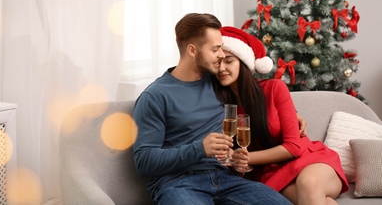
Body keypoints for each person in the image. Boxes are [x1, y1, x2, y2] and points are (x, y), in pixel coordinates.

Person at [133, 13, 292, 204]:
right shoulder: (155, 96)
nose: (222, 55)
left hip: (226, 180)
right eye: (216, 49)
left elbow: (256, 91)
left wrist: (295, 115)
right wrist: (199, 149)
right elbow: (144, 162)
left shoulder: (218, 83)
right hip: (178, 183)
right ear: (192, 50)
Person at [211, 26, 349, 205]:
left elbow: (294, 147)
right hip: (271, 175)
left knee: (308, 184)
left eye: (229, 61)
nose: (221, 68)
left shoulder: (274, 88)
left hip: (309, 160)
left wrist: (248, 157)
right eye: (218, 62)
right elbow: (234, 160)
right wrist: (240, 163)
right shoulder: (219, 104)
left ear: (243, 62)